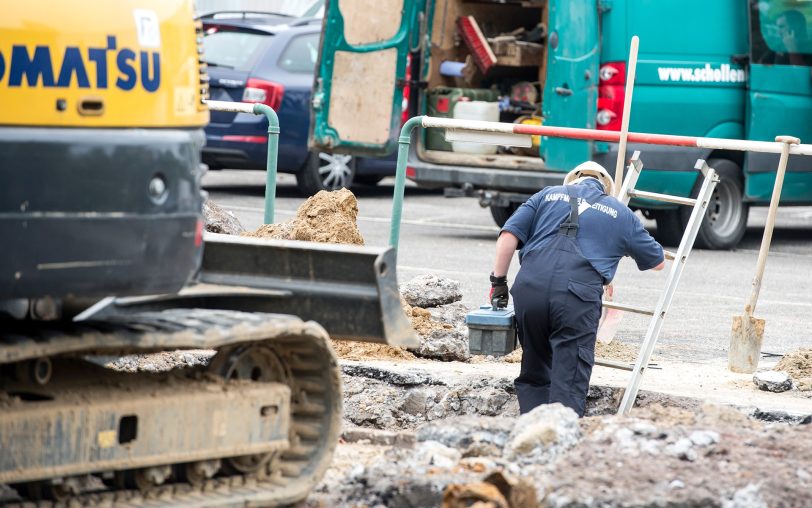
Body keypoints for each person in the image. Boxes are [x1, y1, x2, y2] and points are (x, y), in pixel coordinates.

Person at [489, 161, 665, 417]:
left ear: (571, 181)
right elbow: (658, 262)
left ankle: (531, 439)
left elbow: (507, 237)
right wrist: (615, 248)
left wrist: (498, 283)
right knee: (569, 378)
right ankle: (562, 440)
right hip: (576, 296)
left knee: (535, 369)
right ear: (606, 188)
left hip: (530, 289)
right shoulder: (619, 212)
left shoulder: (544, 196)